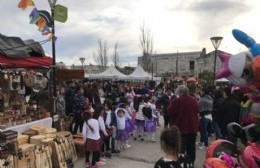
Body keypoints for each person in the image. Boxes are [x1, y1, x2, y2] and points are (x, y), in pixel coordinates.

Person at [166, 85, 199, 165]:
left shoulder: (177, 101)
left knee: (180, 149)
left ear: (180, 92)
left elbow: (169, 111)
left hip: (181, 128)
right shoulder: (193, 100)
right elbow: (198, 110)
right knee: (191, 148)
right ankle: (191, 163)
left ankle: (180, 164)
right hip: (192, 128)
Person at [198, 85, 213, 149]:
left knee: (203, 131)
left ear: (203, 91)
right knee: (204, 130)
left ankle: (206, 145)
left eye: (201, 91)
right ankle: (201, 142)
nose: (200, 92)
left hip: (203, 116)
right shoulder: (210, 98)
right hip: (209, 116)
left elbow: (199, 108)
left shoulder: (202, 99)